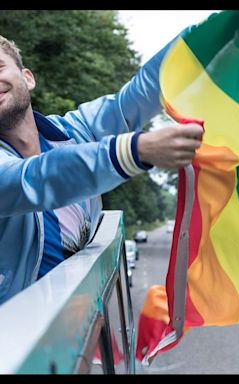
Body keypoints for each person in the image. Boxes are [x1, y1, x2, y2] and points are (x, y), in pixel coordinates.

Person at [0, 34, 204, 305]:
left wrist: (222, 33)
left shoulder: (73, 132)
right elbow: (38, 178)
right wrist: (134, 151)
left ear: (28, 77)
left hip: (87, 338)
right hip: (22, 343)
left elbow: (142, 92)